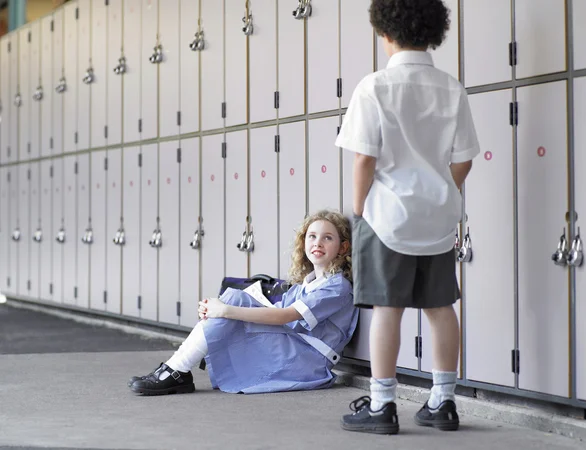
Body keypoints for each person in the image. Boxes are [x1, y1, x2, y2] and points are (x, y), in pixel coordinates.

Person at [336, 0, 480, 435]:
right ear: (433, 31)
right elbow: (464, 161)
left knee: (388, 309)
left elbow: (364, 158)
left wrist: (359, 208)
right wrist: (443, 193)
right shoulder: (451, 88)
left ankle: (382, 405)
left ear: (386, 33)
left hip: (387, 218)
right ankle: (444, 401)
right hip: (437, 218)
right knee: (441, 306)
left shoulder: (375, 87)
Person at [128, 210, 358, 396]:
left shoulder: (337, 287)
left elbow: (284, 317)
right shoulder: (305, 285)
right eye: (312, 236)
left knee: (231, 304)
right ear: (303, 242)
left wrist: (226, 311)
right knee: (233, 298)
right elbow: (276, 313)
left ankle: (177, 370)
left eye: (328, 237)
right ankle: (178, 368)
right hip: (293, 348)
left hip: (308, 361)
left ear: (343, 247)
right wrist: (219, 309)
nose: (318, 242)